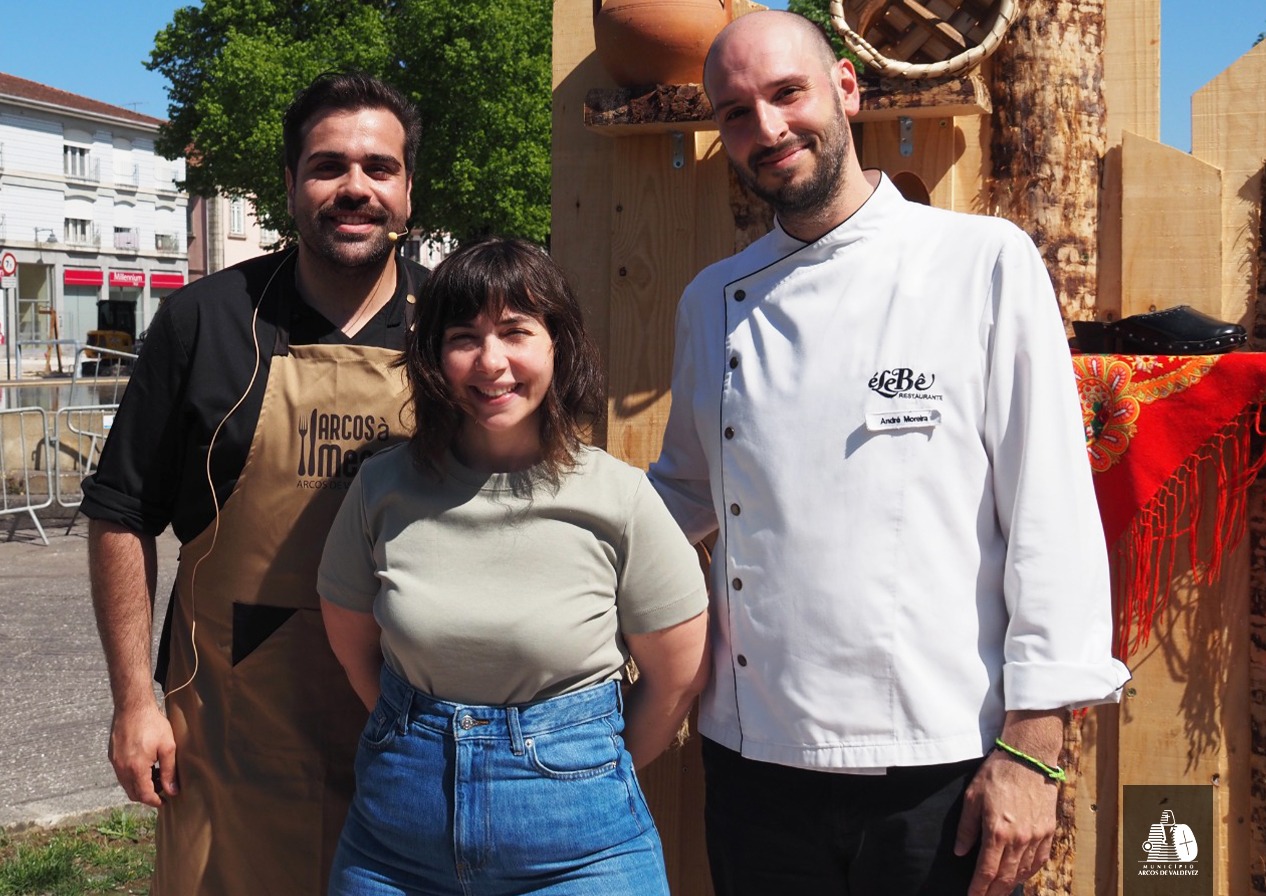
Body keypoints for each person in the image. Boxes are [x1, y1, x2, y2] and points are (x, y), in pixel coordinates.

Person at [647, 12, 1132, 896]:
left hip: (939, 768)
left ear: (846, 87)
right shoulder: (712, 299)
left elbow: (1051, 512)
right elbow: (681, 495)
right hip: (753, 767)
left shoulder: (982, 262)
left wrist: (1035, 750)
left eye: (787, 93)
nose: (768, 128)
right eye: (737, 112)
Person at [82, 71, 430, 894]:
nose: (355, 188)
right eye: (327, 166)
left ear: (409, 190)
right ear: (289, 183)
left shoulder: (457, 329)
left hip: (416, 730)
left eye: (379, 167)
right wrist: (134, 702)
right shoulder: (202, 321)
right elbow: (121, 513)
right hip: (227, 733)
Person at [317, 236, 710, 896]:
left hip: (583, 849)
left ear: (558, 345)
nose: (491, 361)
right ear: (434, 356)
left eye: (515, 331)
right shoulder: (382, 487)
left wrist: (581, 764)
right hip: (395, 845)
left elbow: (677, 678)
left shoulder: (620, 498)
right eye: (464, 337)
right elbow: (356, 653)